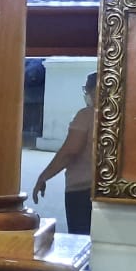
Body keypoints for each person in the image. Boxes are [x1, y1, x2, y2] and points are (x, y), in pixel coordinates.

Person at [34, 72, 97, 234]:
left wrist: (44, 176)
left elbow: (69, 152)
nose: (86, 94)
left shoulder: (87, 115)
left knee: (81, 239)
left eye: (87, 89)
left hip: (82, 190)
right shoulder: (120, 116)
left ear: (96, 90)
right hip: (105, 189)